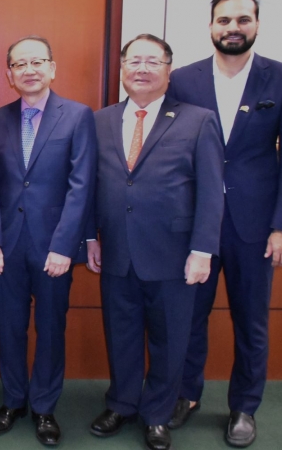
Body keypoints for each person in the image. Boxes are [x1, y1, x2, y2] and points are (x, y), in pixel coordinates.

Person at [168, 0, 282, 447]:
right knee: (188, 316)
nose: (233, 28)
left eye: (243, 19)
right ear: (211, 26)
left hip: (255, 225)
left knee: (251, 320)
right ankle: (185, 395)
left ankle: (244, 407)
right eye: (224, 20)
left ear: (257, 24)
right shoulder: (183, 80)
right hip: (194, 224)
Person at [86, 34, 224, 450]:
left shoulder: (198, 120)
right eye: (134, 61)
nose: (142, 69)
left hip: (174, 254)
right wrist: (90, 236)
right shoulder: (100, 120)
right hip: (116, 250)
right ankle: (122, 403)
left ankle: (158, 415)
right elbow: (89, 185)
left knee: (170, 340)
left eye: (152, 61)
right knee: (121, 333)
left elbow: (211, 192)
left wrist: (202, 251)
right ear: (122, 68)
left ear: (168, 70)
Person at [0, 36, 96, 446]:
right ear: (9, 74)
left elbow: (82, 186)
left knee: (50, 328)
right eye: (20, 64)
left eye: (37, 62)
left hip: (53, 247)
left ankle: (44, 406)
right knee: (9, 328)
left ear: (52, 68)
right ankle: (13, 401)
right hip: (6, 245)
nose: (29, 70)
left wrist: (64, 246)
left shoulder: (78, 116)